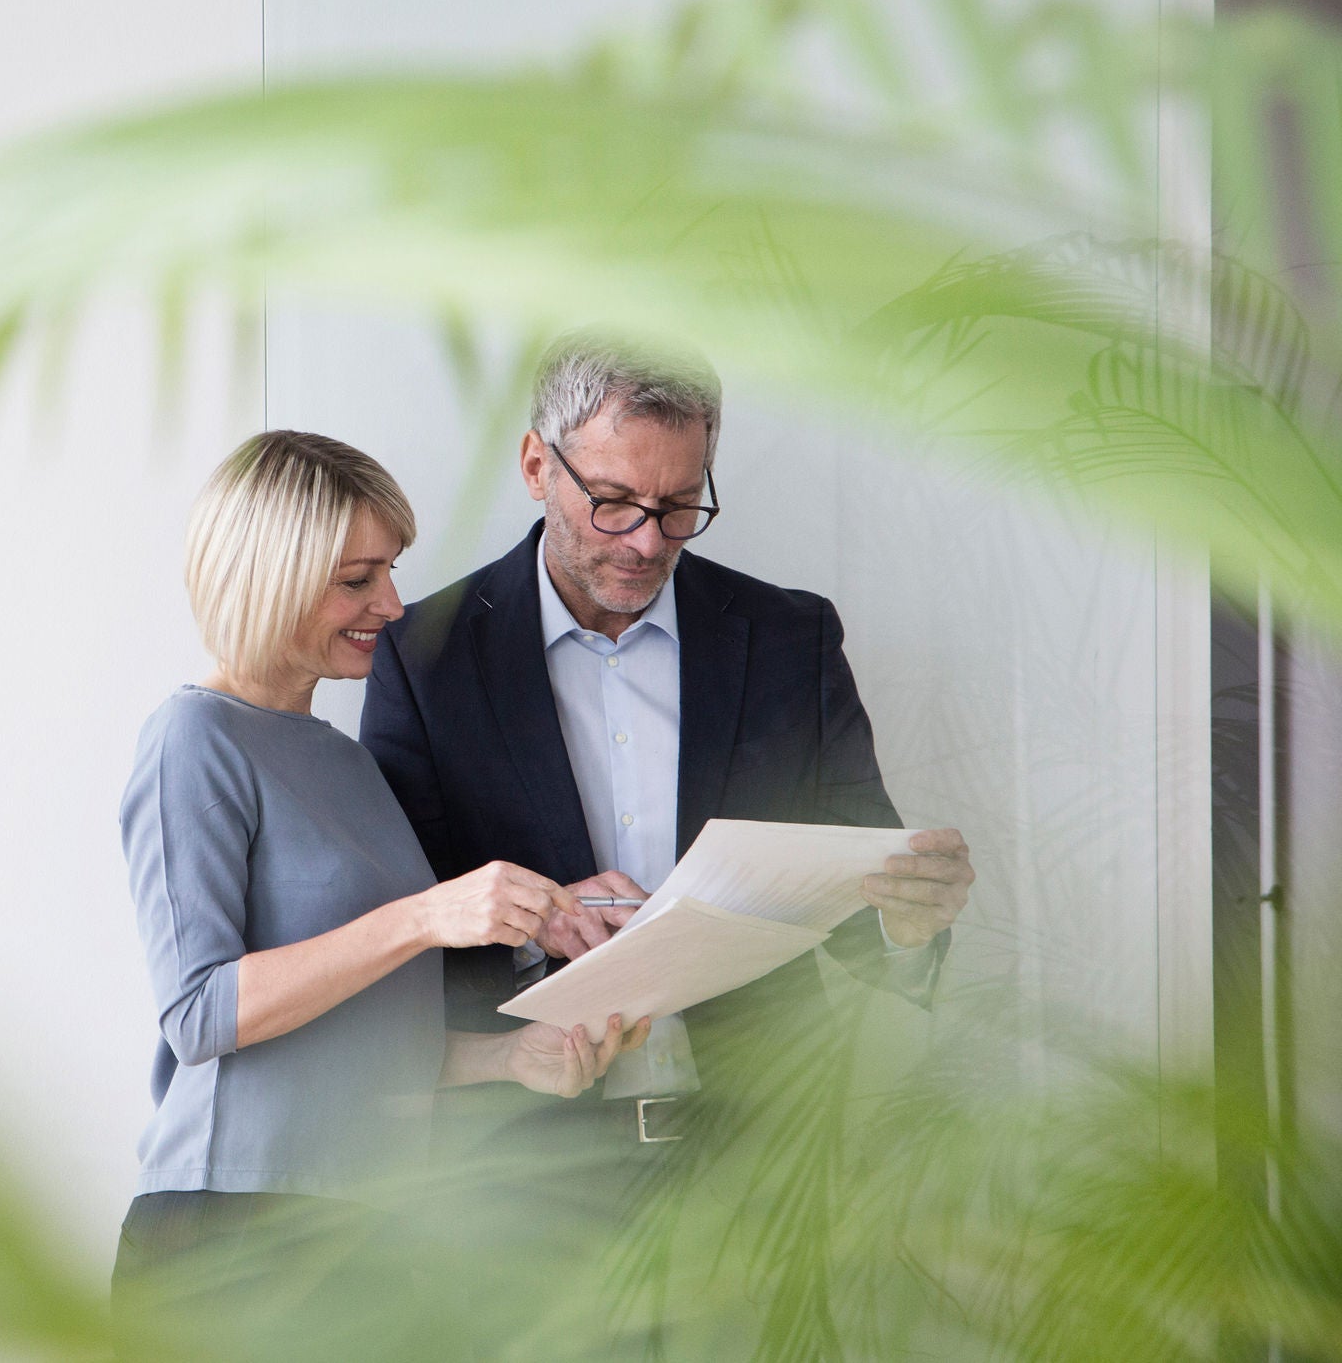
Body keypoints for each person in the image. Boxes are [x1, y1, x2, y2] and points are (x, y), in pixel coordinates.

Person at [358, 335, 977, 1353]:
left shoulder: (787, 640)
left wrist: (911, 924)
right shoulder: (424, 658)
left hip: (754, 1174)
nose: (646, 541)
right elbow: (394, 937)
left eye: (679, 505)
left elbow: (861, 894)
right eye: (611, 501)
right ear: (533, 468)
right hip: (517, 1187)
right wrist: (536, 923)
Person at [111, 429, 652, 1360]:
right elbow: (198, 1013)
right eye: (358, 579)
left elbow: (354, 1038)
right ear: (270, 575)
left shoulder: (346, 760)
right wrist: (426, 914)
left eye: (390, 572)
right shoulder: (192, 740)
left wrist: (509, 1059)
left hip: (370, 1228)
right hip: (236, 1237)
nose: (393, 605)